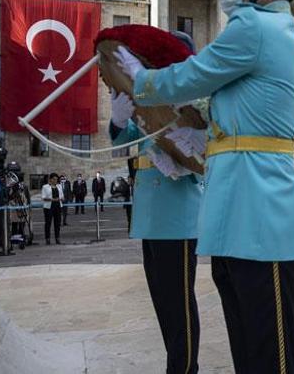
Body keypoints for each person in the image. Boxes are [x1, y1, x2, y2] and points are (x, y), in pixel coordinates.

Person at [114, 0, 294, 371]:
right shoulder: (263, 33)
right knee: (248, 347)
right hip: (238, 212)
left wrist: (139, 80)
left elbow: (193, 75)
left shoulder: (256, 26)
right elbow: (207, 103)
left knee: (270, 354)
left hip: (260, 210)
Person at [108, 47, 204, 372]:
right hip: (150, 216)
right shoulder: (149, 105)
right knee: (164, 305)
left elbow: (204, 156)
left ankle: (185, 369)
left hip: (178, 217)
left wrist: (182, 162)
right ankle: (176, 364)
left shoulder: (192, 106)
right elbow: (123, 140)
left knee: (179, 306)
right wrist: (117, 121)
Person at [41, 173, 63, 245]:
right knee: (48, 223)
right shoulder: (45, 187)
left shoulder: (59, 186)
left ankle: (57, 238)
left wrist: (61, 199)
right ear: (50, 179)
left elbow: (62, 196)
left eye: (56, 179)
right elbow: (43, 197)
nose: (55, 181)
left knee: (57, 223)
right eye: (54, 179)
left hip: (58, 206)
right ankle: (47, 239)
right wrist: (52, 199)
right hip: (49, 207)